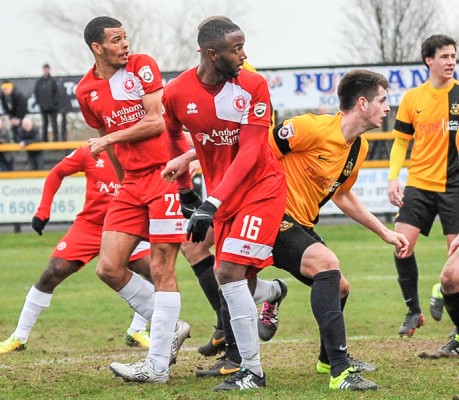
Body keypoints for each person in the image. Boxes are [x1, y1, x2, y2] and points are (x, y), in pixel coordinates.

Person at [161, 18, 288, 391]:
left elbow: (250, 150)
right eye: (236, 49)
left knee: (228, 271)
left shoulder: (252, 84)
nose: (244, 54)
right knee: (232, 277)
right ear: (212, 54)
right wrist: (186, 191)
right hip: (224, 194)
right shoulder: (177, 92)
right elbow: (170, 134)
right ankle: (274, 292)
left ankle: (252, 371)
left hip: (260, 189)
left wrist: (211, 202)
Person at [268, 69, 410, 391]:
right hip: (272, 218)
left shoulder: (357, 148)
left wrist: (384, 232)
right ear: (362, 103)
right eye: (383, 100)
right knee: (327, 264)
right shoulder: (309, 127)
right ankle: (342, 373)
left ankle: (328, 358)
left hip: (300, 222)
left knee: (340, 286)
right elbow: (259, 154)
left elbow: (343, 195)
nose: (388, 108)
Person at [76, 16, 190, 384]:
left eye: (125, 38)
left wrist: (109, 140)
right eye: (115, 40)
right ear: (97, 48)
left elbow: (156, 121)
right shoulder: (85, 91)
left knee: (161, 269)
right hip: (132, 186)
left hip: (164, 177)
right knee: (108, 267)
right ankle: (171, 325)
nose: (124, 45)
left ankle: (156, 366)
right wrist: (122, 180)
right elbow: (106, 139)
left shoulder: (142, 65)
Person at [0, 146, 155, 354]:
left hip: (126, 226)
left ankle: (136, 330)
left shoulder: (141, 152)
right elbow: (57, 172)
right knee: (53, 271)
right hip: (90, 226)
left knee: (156, 272)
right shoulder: (89, 151)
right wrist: (43, 209)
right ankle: (19, 337)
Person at [387, 34, 459, 337]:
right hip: (418, 183)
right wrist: (393, 177)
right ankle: (413, 311)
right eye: (444, 56)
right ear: (428, 60)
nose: (451, 62)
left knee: (455, 262)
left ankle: (451, 316)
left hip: (455, 185)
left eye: (453, 56)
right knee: (401, 246)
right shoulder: (412, 99)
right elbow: (401, 142)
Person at [34, 64, 60, 142]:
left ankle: (56, 140)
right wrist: (40, 104)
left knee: (54, 124)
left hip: (53, 107)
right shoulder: (39, 82)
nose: (46, 71)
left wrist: (53, 104)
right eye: (44, 69)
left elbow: (57, 94)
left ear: (49, 70)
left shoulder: (53, 81)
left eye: (47, 69)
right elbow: (36, 93)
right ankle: (45, 141)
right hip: (43, 107)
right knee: (44, 124)